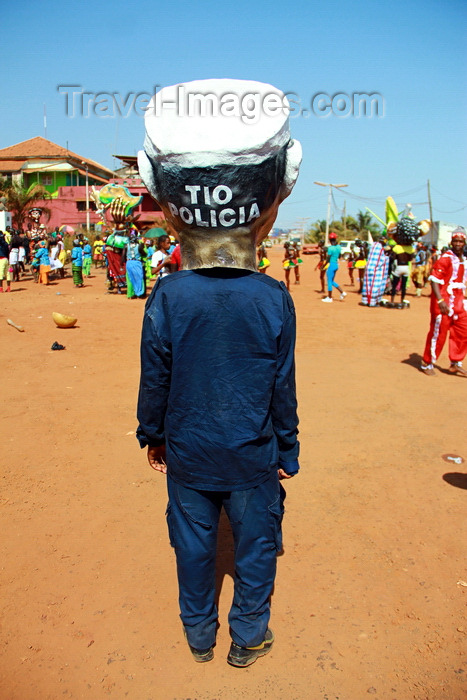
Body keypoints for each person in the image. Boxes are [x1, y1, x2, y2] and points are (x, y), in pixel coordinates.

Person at [137, 78, 302, 667]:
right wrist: (289, 449)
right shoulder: (273, 299)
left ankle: (199, 636)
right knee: (257, 548)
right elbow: (282, 386)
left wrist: (151, 435)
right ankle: (248, 637)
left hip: (188, 452)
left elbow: (155, 378)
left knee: (192, 546)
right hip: (253, 455)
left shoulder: (167, 297)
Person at [420, 227, 467, 376]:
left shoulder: (463, 260)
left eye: (461, 241)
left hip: (459, 301)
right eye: (456, 241)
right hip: (444, 300)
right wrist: (440, 300)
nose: (458, 244)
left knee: (462, 331)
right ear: (451, 242)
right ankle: (427, 362)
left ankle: (456, 362)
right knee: (438, 332)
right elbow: (434, 281)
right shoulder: (445, 258)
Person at [389, 218, 417, 308]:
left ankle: (392, 300)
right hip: (406, 268)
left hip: (399, 267)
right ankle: (402, 300)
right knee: (404, 286)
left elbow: (392, 258)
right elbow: (411, 258)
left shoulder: (397, 247)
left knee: (394, 285)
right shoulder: (410, 248)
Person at [361, 236, 390, 307]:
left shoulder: (373, 245)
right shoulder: (381, 248)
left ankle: (366, 301)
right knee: (375, 286)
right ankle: (372, 302)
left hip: (369, 268)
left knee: (368, 285)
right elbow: (382, 259)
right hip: (377, 270)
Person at [322, 233, 346, 303]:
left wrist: (323, 266)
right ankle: (342, 292)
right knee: (332, 281)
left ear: (329, 239)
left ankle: (329, 297)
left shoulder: (330, 248)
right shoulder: (338, 247)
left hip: (331, 265)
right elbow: (339, 256)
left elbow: (328, 259)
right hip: (336, 264)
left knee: (329, 281)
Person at [122, 233, 146, 299]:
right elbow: (144, 254)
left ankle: (130, 294)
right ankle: (139, 293)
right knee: (139, 278)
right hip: (137, 263)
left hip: (129, 263)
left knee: (130, 279)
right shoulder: (139, 246)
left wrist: (123, 263)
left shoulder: (126, 246)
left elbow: (123, 256)